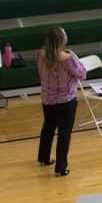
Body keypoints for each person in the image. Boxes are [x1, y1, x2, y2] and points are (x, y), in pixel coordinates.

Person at [36, 26, 87, 176]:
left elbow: (40, 74)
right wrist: (75, 56)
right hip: (66, 100)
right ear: (63, 40)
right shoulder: (68, 58)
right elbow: (82, 74)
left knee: (48, 127)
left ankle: (43, 157)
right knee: (64, 133)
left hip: (47, 99)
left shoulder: (40, 55)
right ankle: (61, 167)